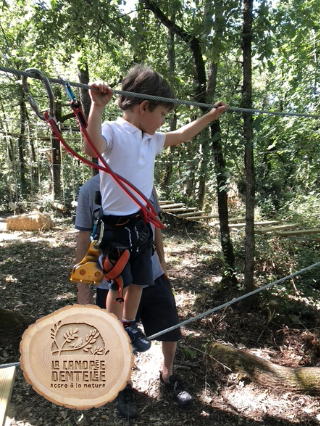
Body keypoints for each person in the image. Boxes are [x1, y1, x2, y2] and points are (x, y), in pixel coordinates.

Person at [84, 64, 226, 352]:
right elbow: (92, 148)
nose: (163, 122)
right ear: (144, 106)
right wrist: (96, 108)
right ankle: (114, 329)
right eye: (162, 114)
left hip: (140, 224)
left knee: (140, 280)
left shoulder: (152, 140)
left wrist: (211, 116)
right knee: (119, 284)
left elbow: (183, 134)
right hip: (116, 228)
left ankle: (128, 325)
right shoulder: (113, 131)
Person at [74, 173, 193, 419]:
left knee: (169, 326)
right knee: (118, 334)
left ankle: (168, 374)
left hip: (152, 272)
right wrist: (83, 289)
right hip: (112, 277)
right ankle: (125, 385)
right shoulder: (89, 190)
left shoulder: (144, 182)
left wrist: (163, 262)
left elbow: (155, 225)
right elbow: (83, 238)